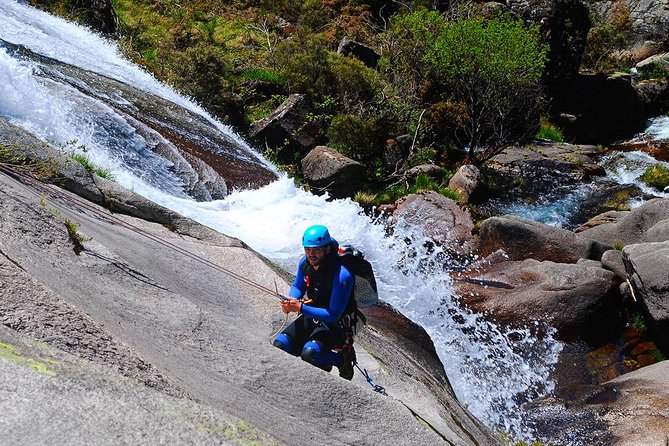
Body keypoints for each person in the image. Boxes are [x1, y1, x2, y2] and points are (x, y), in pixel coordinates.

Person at [273, 225, 358, 380]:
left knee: (310, 353)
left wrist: (301, 308)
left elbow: (333, 314)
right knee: (280, 345)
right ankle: (322, 362)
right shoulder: (304, 263)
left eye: (316, 250)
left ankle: (342, 360)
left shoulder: (341, 275)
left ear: (326, 249)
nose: (311, 254)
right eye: (307, 250)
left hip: (336, 324)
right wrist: (293, 298)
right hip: (312, 314)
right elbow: (298, 286)